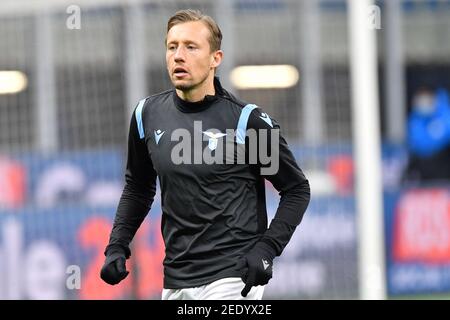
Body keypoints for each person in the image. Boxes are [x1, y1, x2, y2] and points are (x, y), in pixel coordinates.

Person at [100, 9, 310, 300]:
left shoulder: (247, 122)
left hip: (233, 278)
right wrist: (117, 244)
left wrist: (266, 249)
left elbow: (296, 188)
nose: (178, 55)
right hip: (176, 279)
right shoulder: (147, 115)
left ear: (216, 59)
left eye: (190, 46)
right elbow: (138, 188)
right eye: (172, 47)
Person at [404, 87, 450, 183]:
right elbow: (417, 143)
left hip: (444, 165)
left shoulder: (445, 115)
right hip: (424, 168)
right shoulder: (415, 119)